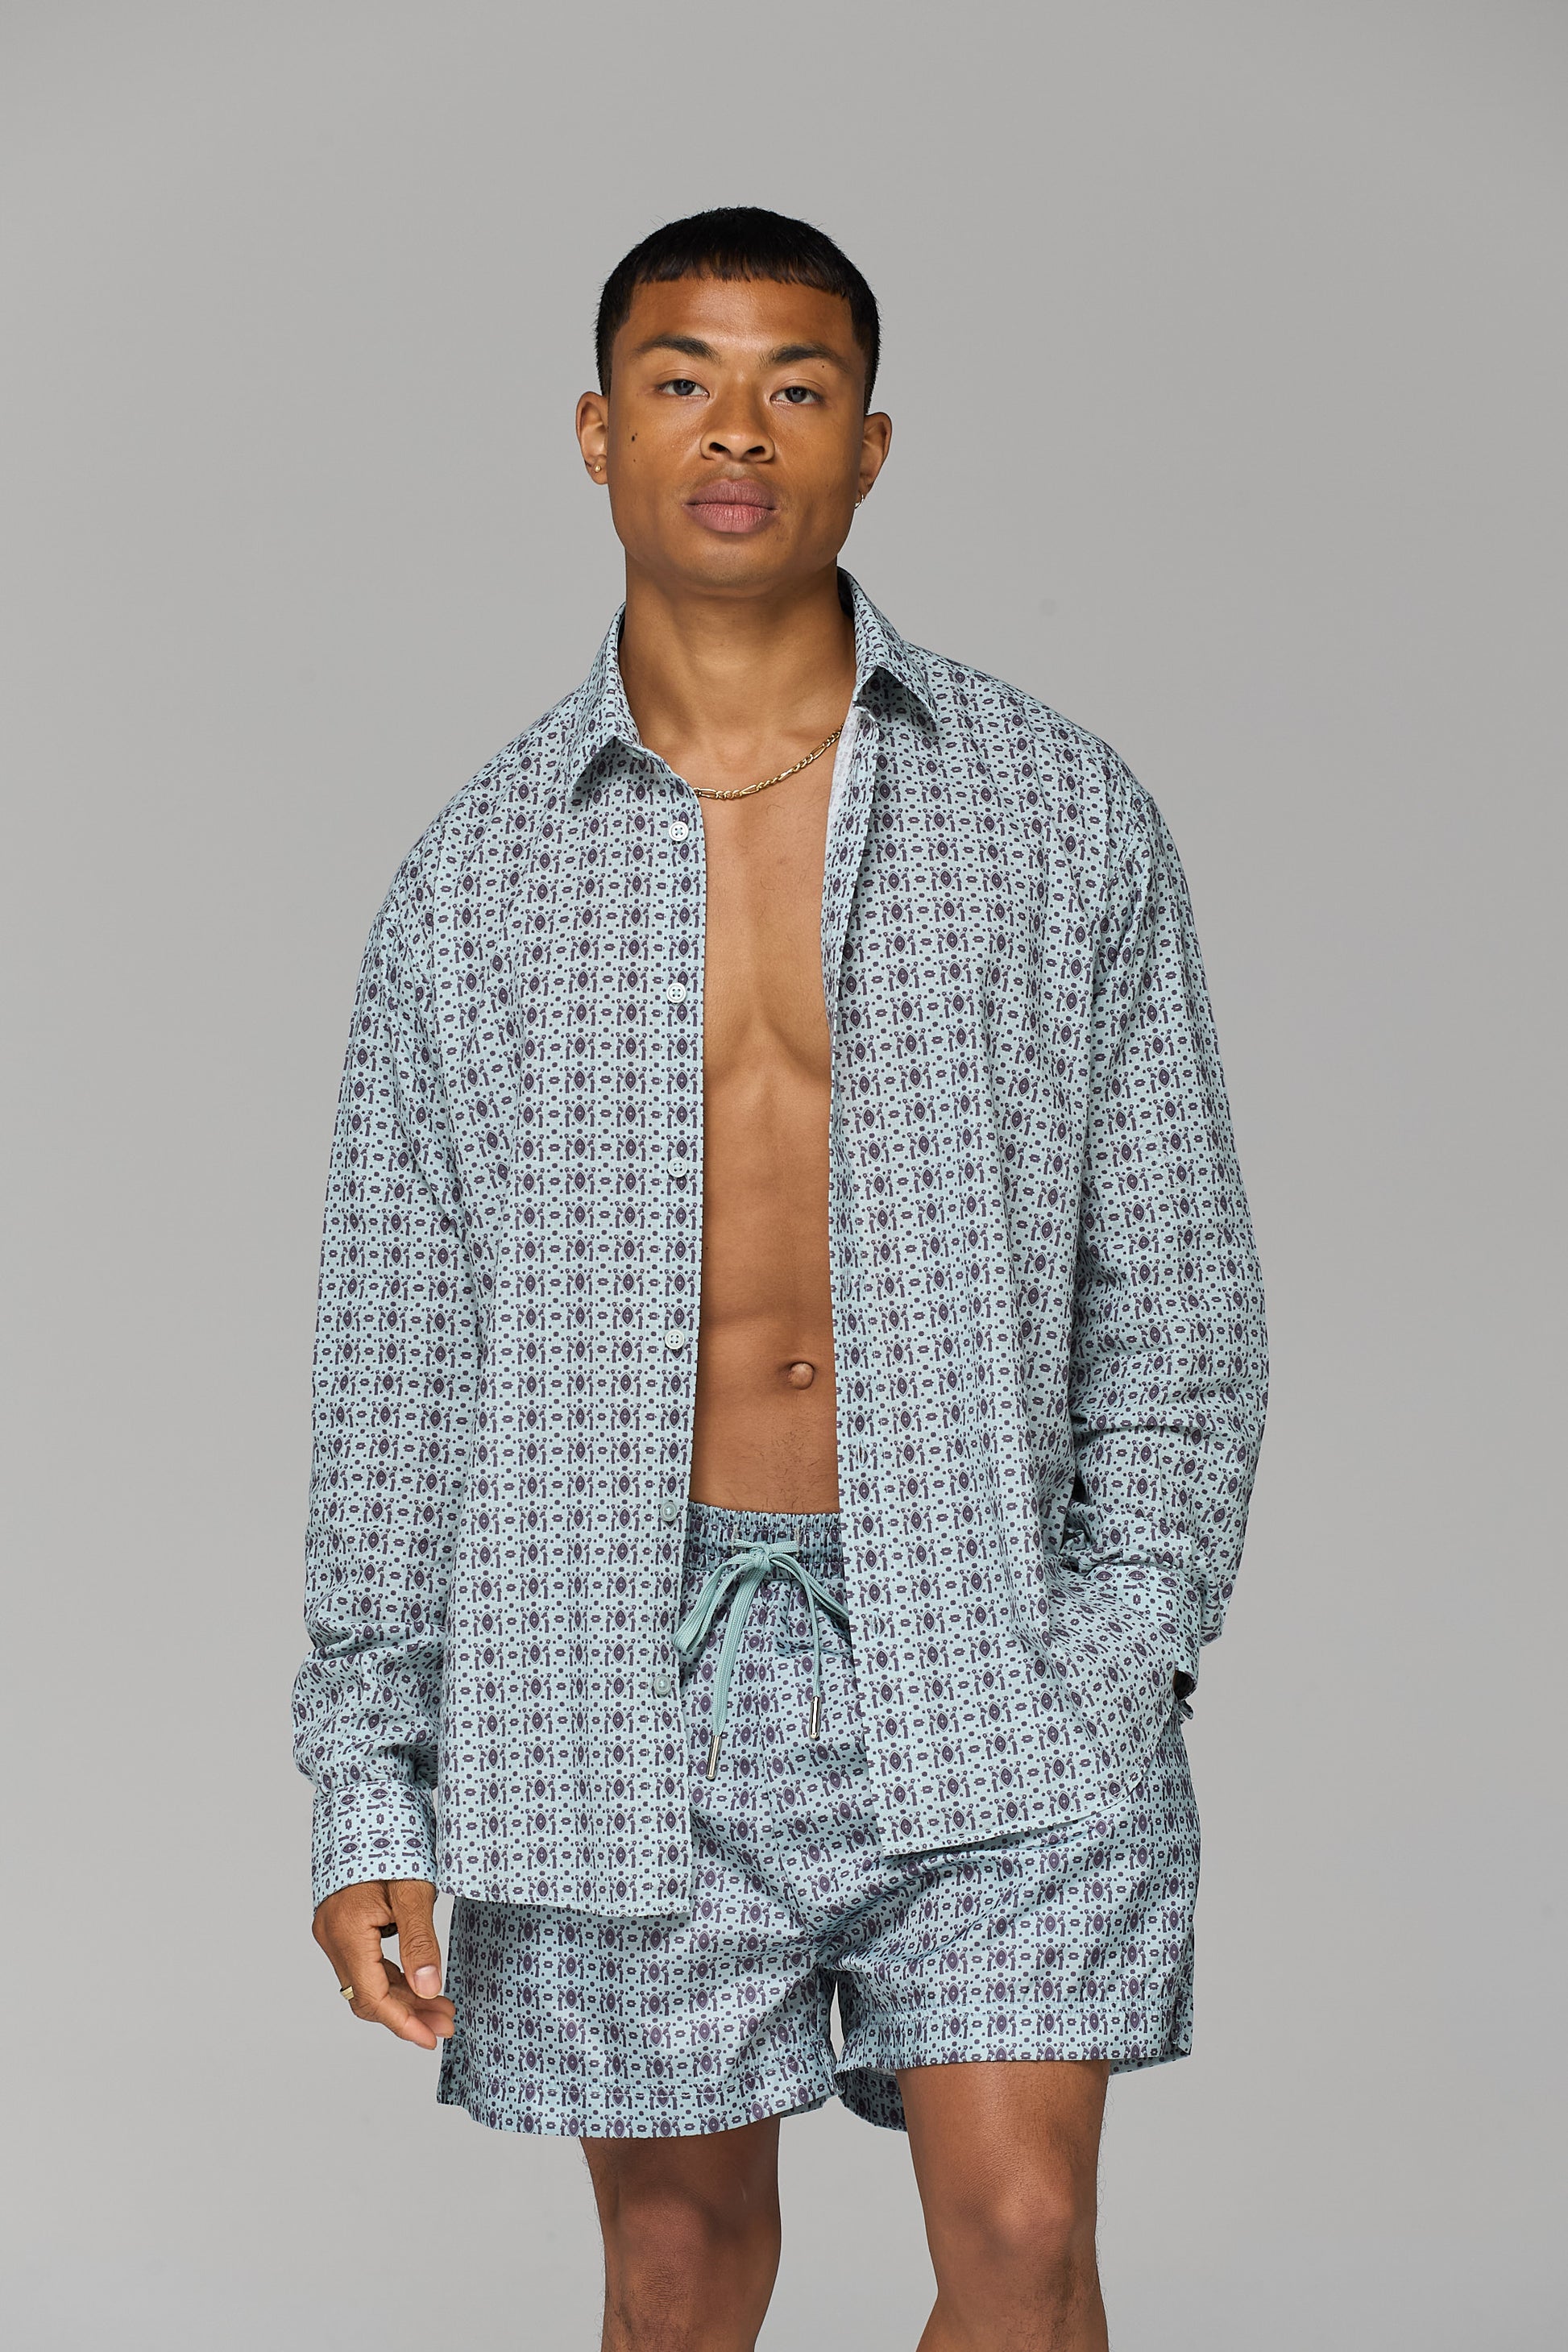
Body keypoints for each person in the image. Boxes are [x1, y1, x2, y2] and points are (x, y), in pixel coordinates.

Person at [293, 205, 1268, 2351]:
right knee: (679, 2269)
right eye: (682, 382)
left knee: (1021, 2240)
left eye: (795, 387)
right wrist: (370, 1784)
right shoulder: (471, 882)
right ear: (597, 432)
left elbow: (1180, 1291)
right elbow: (396, 1371)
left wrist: (1126, 1640)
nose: (736, 431)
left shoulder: (1057, 815)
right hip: (603, 1669)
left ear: (868, 445)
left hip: (992, 1631)